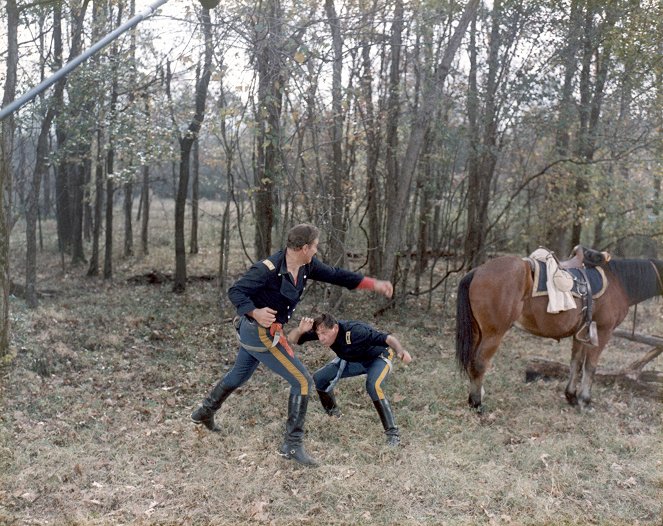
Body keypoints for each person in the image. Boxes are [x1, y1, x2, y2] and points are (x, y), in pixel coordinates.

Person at [190, 223, 393, 466]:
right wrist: (254, 311)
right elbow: (236, 291)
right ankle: (292, 445)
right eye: (315, 246)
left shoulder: (307, 266)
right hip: (258, 332)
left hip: (260, 332)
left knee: (238, 375)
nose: (317, 251)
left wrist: (373, 284)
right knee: (302, 381)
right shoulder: (268, 269)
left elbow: (337, 275)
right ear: (305, 248)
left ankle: (205, 412)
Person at [288, 312, 412, 446]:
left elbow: (388, 339)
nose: (321, 338)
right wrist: (300, 330)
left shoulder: (356, 331)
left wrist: (400, 351)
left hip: (377, 358)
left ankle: (393, 434)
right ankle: (334, 415)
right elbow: (292, 339)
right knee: (320, 378)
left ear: (335, 328)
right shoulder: (322, 329)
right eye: (319, 334)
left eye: (324, 334)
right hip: (353, 360)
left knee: (373, 386)